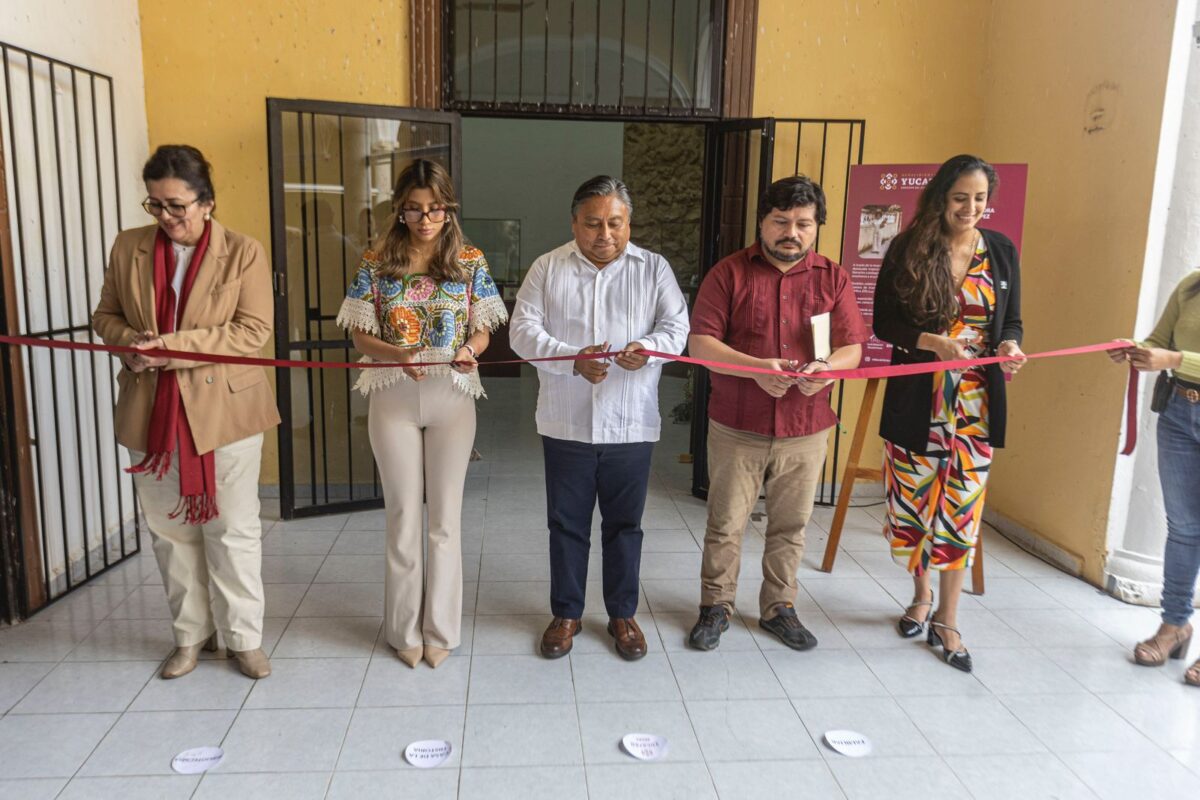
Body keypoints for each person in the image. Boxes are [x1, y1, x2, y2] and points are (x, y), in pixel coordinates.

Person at [92, 145, 280, 680]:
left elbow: (252, 331)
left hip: (226, 410)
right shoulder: (128, 247)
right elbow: (104, 315)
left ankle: (243, 638)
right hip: (150, 409)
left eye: (176, 205)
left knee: (232, 529)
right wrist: (130, 343)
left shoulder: (243, 251)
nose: (166, 217)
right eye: (154, 205)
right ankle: (191, 636)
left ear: (207, 203)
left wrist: (170, 347)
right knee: (170, 532)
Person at [509, 176, 689, 661]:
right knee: (566, 524)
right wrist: (572, 358)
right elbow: (522, 332)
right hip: (566, 422)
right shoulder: (548, 267)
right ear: (575, 224)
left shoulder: (653, 269)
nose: (604, 234)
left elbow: (677, 327)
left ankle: (622, 613)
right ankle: (567, 612)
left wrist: (647, 349)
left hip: (631, 423)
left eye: (615, 222)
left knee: (625, 524)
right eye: (593, 223)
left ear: (629, 223)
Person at [686, 175, 868, 652]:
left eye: (804, 223)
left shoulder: (833, 277)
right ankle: (715, 606)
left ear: (817, 227)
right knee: (726, 523)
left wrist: (827, 370)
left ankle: (779, 607)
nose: (792, 231)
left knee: (791, 526)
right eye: (781, 221)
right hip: (737, 423)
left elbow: (853, 347)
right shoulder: (728, 274)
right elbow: (700, 343)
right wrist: (753, 371)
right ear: (762, 224)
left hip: (805, 427)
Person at [337, 159, 506, 669]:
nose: (426, 219)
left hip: (452, 395)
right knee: (404, 516)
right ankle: (404, 629)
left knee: (445, 521)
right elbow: (359, 334)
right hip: (392, 394)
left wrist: (472, 350)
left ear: (449, 208)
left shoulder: (469, 260)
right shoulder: (377, 261)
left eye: (435, 209)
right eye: (415, 209)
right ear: (400, 210)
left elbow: (483, 327)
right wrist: (395, 354)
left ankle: (442, 629)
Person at [874, 154, 1026, 673]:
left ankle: (948, 616)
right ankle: (919, 595)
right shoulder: (908, 247)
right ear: (941, 196)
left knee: (962, 511)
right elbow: (884, 323)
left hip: (976, 407)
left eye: (980, 198)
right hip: (918, 398)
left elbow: (1015, 321)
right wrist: (932, 342)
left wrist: (1009, 345)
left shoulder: (1001, 251)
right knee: (913, 507)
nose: (971, 207)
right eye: (961, 196)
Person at [1109, 270, 1200, 686]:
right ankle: (1174, 626)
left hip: (1182, 385)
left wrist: (1178, 360)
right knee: (1183, 527)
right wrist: (1135, 351)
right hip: (1180, 412)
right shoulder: (1193, 283)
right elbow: (1159, 341)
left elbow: (1174, 355)